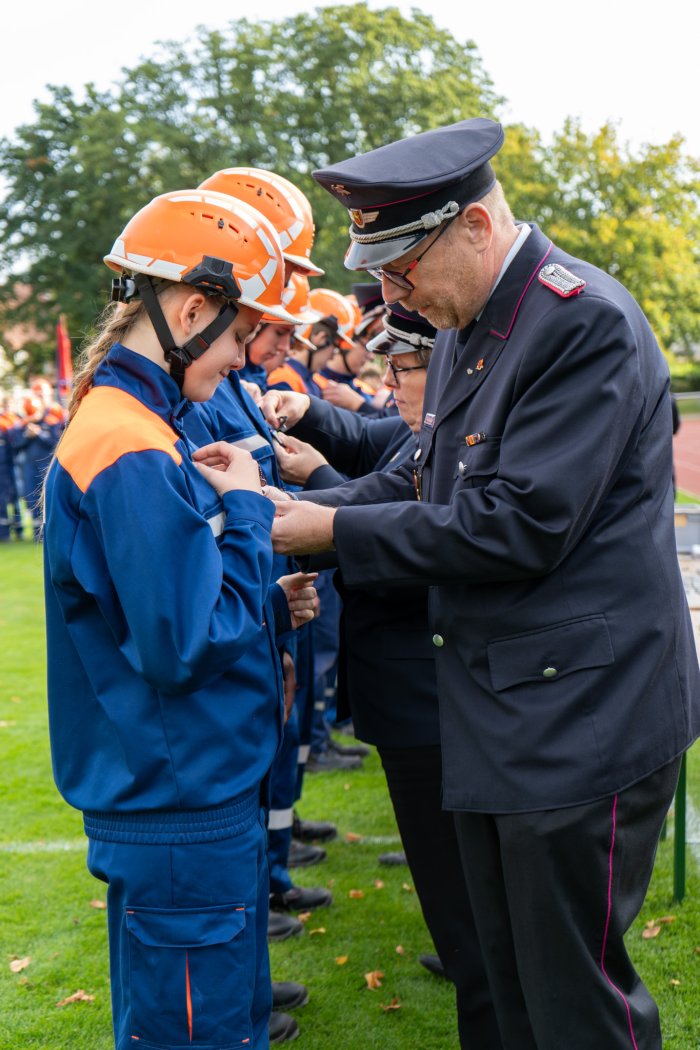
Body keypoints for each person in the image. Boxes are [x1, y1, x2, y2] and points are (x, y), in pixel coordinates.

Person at [265, 117, 700, 1049]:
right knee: (497, 984)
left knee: (572, 1001)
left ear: (472, 225)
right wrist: (292, 508)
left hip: (582, 720)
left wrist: (333, 528)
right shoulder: (471, 318)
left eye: (399, 267)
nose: (390, 295)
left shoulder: (578, 319)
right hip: (509, 712)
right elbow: (427, 470)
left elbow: (517, 522)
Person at [43, 187, 318, 1050]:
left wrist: (265, 599)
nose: (241, 362)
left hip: (186, 789)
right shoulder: (127, 443)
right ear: (192, 308)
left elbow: (168, 610)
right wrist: (242, 510)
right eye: (239, 336)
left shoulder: (136, 426)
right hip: (180, 800)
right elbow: (180, 645)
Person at [267, 303, 502, 1048]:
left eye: (403, 367)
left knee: (470, 914)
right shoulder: (434, 421)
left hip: (426, 692)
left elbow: (404, 511)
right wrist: (310, 437)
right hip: (419, 689)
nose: (389, 381)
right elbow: (380, 454)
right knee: (465, 907)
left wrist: (309, 503)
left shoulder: (453, 430)